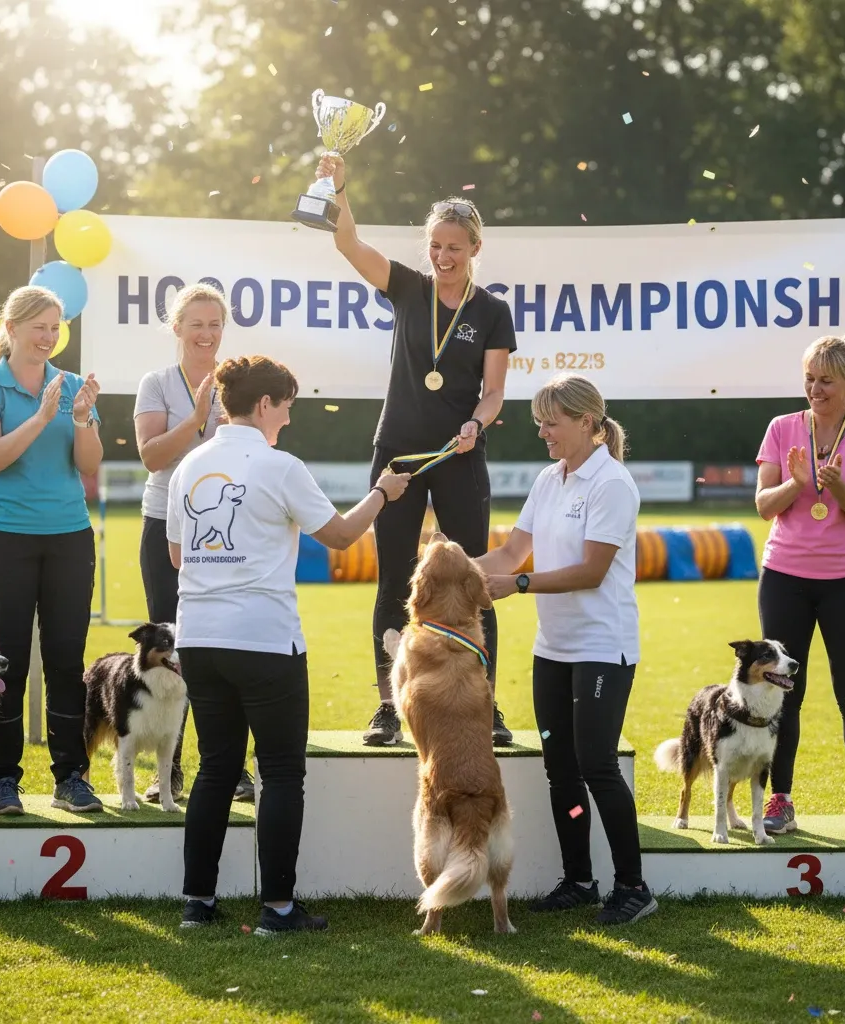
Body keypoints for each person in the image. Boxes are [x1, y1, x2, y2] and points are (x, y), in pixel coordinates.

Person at [167, 355, 410, 933]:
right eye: (287, 407)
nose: (290, 418)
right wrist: (382, 493)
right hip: (263, 638)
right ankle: (277, 908)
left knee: (215, 768)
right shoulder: (280, 466)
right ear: (264, 405)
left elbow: (178, 556)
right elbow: (342, 536)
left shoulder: (189, 465)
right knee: (279, 772)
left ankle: (197, 903)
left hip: (198, 636)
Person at [318, 152, 517, 747]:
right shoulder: (408, 287)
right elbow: (348, 244)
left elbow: (494, 392)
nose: (442, 256)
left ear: (475, 248)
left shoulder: (492, 311)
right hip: (399, 456)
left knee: (473, 579)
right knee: (394, 579)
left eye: (454, 247)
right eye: (435, 245)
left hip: (459, 455)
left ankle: (484, 703)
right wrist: (340, 189)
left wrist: (475, 424)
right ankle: (388, 705)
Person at [475, 373, 658, 926]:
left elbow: (591, 571)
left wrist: (519, 585)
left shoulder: (613, 483)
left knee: (597, 764)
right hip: (552, 648)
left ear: (587, 423)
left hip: (602, 647)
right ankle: (578, 879)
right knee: (561, 770)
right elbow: (509, 554)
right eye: (539, 423)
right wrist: (450, 569)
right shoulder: (548, 479)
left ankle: (633, 887)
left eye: (551, 423)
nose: (543, 433)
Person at [0, 285, 104, 815]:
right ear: (12, 328)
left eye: (55, 327)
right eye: (39, 327)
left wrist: (81, 418)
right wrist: (42, 417)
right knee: (7, 662)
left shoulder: (70, 386)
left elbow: (88, 465)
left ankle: (71, 778)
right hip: (3, 538)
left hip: (69, 537)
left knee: (67, 661)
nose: (48, 337)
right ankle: (3, 780)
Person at [754, 335, 845, 838]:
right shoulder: (782, 427)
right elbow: (764, 506)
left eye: (826, 381)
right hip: (784, 579)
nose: (815, 389)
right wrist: (797, 483)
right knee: (785, 693)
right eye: (810, 379)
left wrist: (837, 486)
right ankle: (780, 800)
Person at [134, 282, 254, 805]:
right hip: (166, 523)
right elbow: (152, 455)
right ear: (176, 327)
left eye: (215, 324)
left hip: (226, 532)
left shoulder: (240, 381)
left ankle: (229, 767)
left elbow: (258, 453)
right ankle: (170, 770)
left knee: (226, 647)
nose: (206, 334)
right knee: (170, 650)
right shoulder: (157, 382)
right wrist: (198, 417)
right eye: (196, 324)